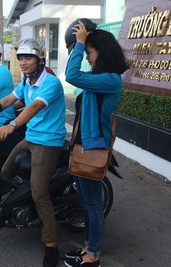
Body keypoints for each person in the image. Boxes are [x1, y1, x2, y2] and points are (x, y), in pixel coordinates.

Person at [0, 38, 66, 267]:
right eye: (20, 58)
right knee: (4, 170)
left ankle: (51, 245)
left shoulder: (51, 83)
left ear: (39, 59)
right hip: (31, 137)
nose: (23, 62)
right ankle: (13, 209)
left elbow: (33, 108)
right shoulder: (26, 81)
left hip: (48, 141)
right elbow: (10, 100)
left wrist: (11, 125)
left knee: (38, 191)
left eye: (28, 58)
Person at [63, 19, 129, 267]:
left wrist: (80, 43)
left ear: (102, 52)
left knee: (92, 205)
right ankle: (88, 248)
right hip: (82, 146)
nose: (88, 57)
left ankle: (93, 256)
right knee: (86, 203)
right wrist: (81, 43)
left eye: (90, 53)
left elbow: (71, 75)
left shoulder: (110, 80)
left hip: (93, 148)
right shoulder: (97, 78)